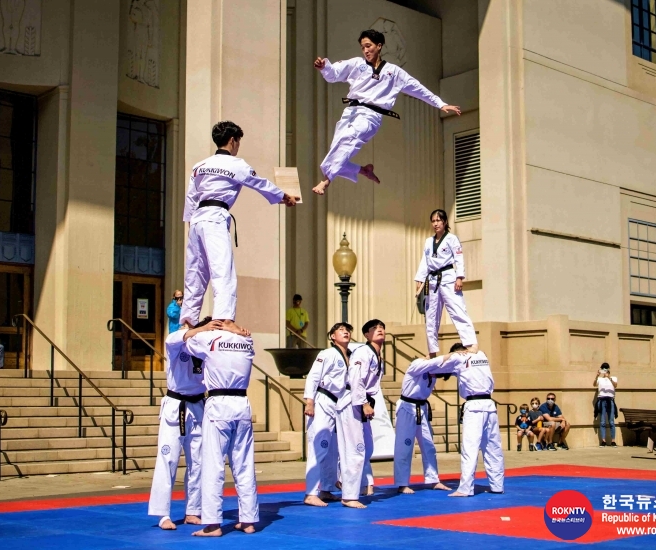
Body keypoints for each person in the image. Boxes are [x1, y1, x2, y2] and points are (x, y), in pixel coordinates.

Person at [180, 121, 300, 336]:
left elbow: (191, 198)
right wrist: (284, 197)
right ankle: (225, 319)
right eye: (238, 142)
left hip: (197, 220)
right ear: (233, 141)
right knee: (222, 270)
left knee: (195, 273)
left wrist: (192, 227)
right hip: (216, 217)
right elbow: (260, 183)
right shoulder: (236, 164)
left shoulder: (199, 166)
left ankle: (188, 321)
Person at [312, 29, 461, 195]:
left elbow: (417, 88)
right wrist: (324, 67)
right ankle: (363, 170)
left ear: (379, 46)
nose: (365, 50)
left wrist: (440, 103)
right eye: (363, 47)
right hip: (351, 112)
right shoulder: (357, 64)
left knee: (347, 141)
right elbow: (334, 74)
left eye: (368, 46)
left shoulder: (394, 72)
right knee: (336, 151)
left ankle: (325, 182)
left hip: (371, 116)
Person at [148, 317, 220, 530]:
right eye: (205, 332)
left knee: (198, 462)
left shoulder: (208, 350)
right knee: (168, 459)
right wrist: (197, 329)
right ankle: (162, 514)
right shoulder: (176, 343)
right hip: (175, 405)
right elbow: (172, 339)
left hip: (197, 406)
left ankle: (193, 510)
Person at [185, 326, 258, 536]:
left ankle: (213, 524)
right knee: (244, 463)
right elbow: (247, 342)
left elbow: (185, 340)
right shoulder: (245, 340)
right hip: (242, 403)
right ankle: (248, 520)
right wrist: (239, 331)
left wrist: (198, 328)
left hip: (218, 404)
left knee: (213, 464)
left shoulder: (209, 339)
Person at [441, 343, 505, 497]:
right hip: (489, 405)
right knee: (493, 447)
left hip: (474, 406)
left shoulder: (458, 358)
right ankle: (497, 485)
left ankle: (465, 488)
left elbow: (440, 367)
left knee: (470, 448)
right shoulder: (481, 355)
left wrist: (449, 356)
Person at [335, 319, 385, 508]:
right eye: (374, 328)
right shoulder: (363, 352)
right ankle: (349, 496)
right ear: (366, 335)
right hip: (352, 402)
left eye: (382, 328)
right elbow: (355, 377)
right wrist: (363, 402)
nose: (379, 330)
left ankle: (347, 482)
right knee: (355, 449)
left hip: (361, 401)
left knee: (367, 447)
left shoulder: (377, 354)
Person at [302, 322, 353, 506]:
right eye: (340, 330)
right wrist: (309, 401)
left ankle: (326, 488)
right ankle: (310, 493)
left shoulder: (351, 356)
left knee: (333, 450)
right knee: (319, 446)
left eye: (348, 330)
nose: (345, 332)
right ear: (332, 336)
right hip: (323, 401)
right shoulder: (327, 354)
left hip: (338, 404)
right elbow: (313, 376)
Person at [414, 209, 477, 358]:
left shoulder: (452, 239)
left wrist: (459, 277)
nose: (435, 224)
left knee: (457, 309)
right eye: (433, 221)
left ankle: (471, 343)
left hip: (448, 276)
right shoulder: (429, 241)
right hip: (432, 280)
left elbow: (459, 259)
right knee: (430, 316)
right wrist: (420, 278)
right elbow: (425, 261)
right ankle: (432, 351)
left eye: (438, 220)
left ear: (445, 222)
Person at [394, 354, 455, 494]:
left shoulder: (432, 373)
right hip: (407, 408)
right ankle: (402, 483)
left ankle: (433, 479)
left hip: (421, 409)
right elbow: (434, 361)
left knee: (429, 445)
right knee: (404, 447)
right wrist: (451, 355)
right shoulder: (418, 364)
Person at [593, 362, 618, 447]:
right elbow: (594, 384)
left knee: (611, 421)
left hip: (610, 400)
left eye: (606, 368)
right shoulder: (600, 379)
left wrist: (609, 378)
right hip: (602, 399)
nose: (605, 370)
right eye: (603, 368)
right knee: (602, 421)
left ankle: (613, 441)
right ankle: (603, 441)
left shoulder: (613, 378)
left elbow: (615, 385)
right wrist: (597, 375)